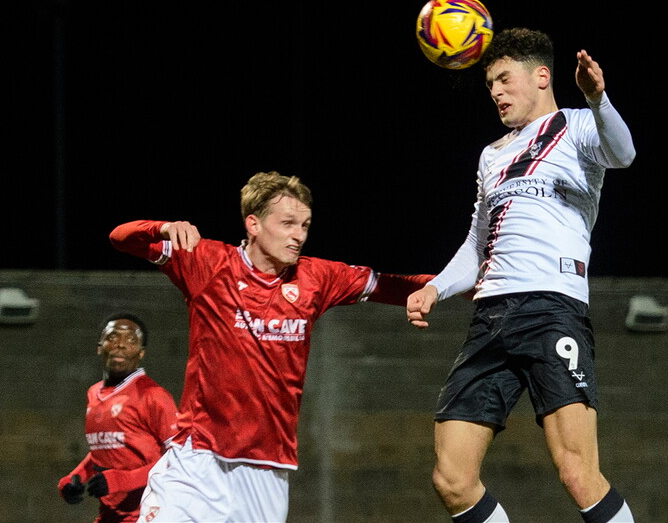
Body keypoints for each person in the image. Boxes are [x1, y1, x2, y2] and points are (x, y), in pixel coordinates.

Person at [109, 171, 433, 522]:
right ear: (254, 224)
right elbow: (121, 238)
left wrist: (453, 286)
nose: (299, 236)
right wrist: (162, 227)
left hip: (268, 468)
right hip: (198, 459)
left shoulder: (316, 278)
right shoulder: (207, 262)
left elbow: (392, 286)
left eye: (305, 226)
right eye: (289, 223)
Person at [406, 27, 636, 523]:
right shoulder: (492, 155)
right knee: (452, 477)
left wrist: (598, 98)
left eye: (504, 79)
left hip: (552, 310)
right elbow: (476, 242)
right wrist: (434, 287)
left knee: (577, 473)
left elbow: (624, 154)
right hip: (490, 317)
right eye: (490, 84)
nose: (496, 92)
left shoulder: (576, 127)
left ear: (541, 77)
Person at [57, 312, 178, 523]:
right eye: (113, 338)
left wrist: (123, 480)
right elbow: (104, 450)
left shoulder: (153, 395)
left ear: (141, 353)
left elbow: (180, 459)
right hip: (110, 515)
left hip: (150, 513)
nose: (120, 345)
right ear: (99, 346)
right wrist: (75, 477)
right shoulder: (93, 393)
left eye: (131, 340)